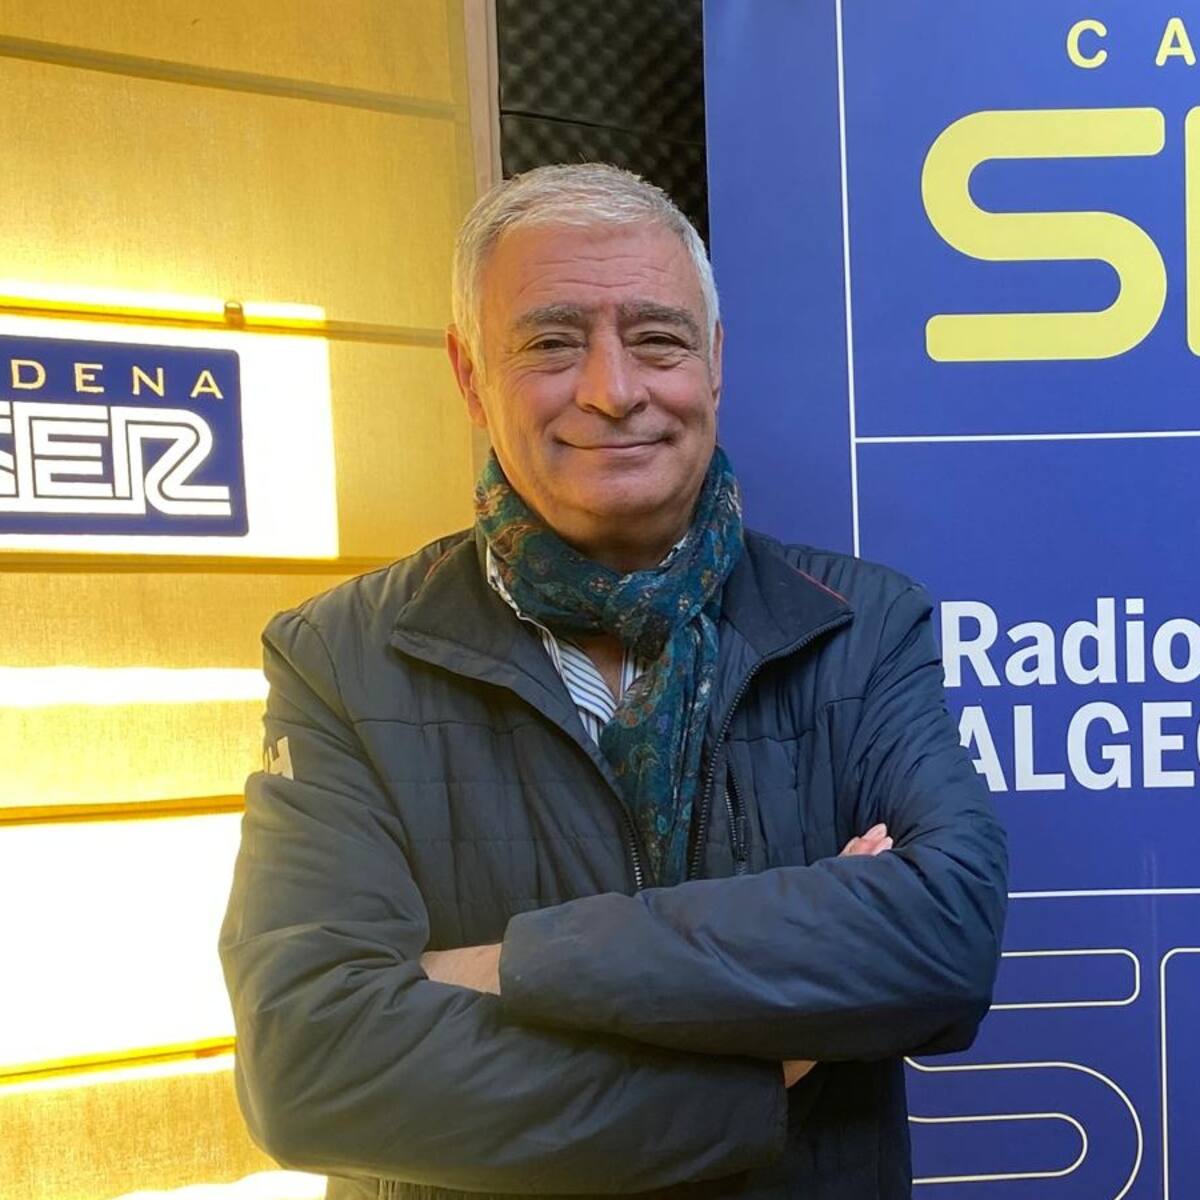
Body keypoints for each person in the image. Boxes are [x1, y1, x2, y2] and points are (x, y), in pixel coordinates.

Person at [219, 163, 1007, 1200]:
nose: (613, 388)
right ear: (469, 375)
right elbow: (312, 1070)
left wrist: (512, 964)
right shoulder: (342, 659)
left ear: (714, 362)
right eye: (552, 342)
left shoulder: (861, 630)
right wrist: (757, 1078)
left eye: (657, 339)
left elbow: (945, 937)